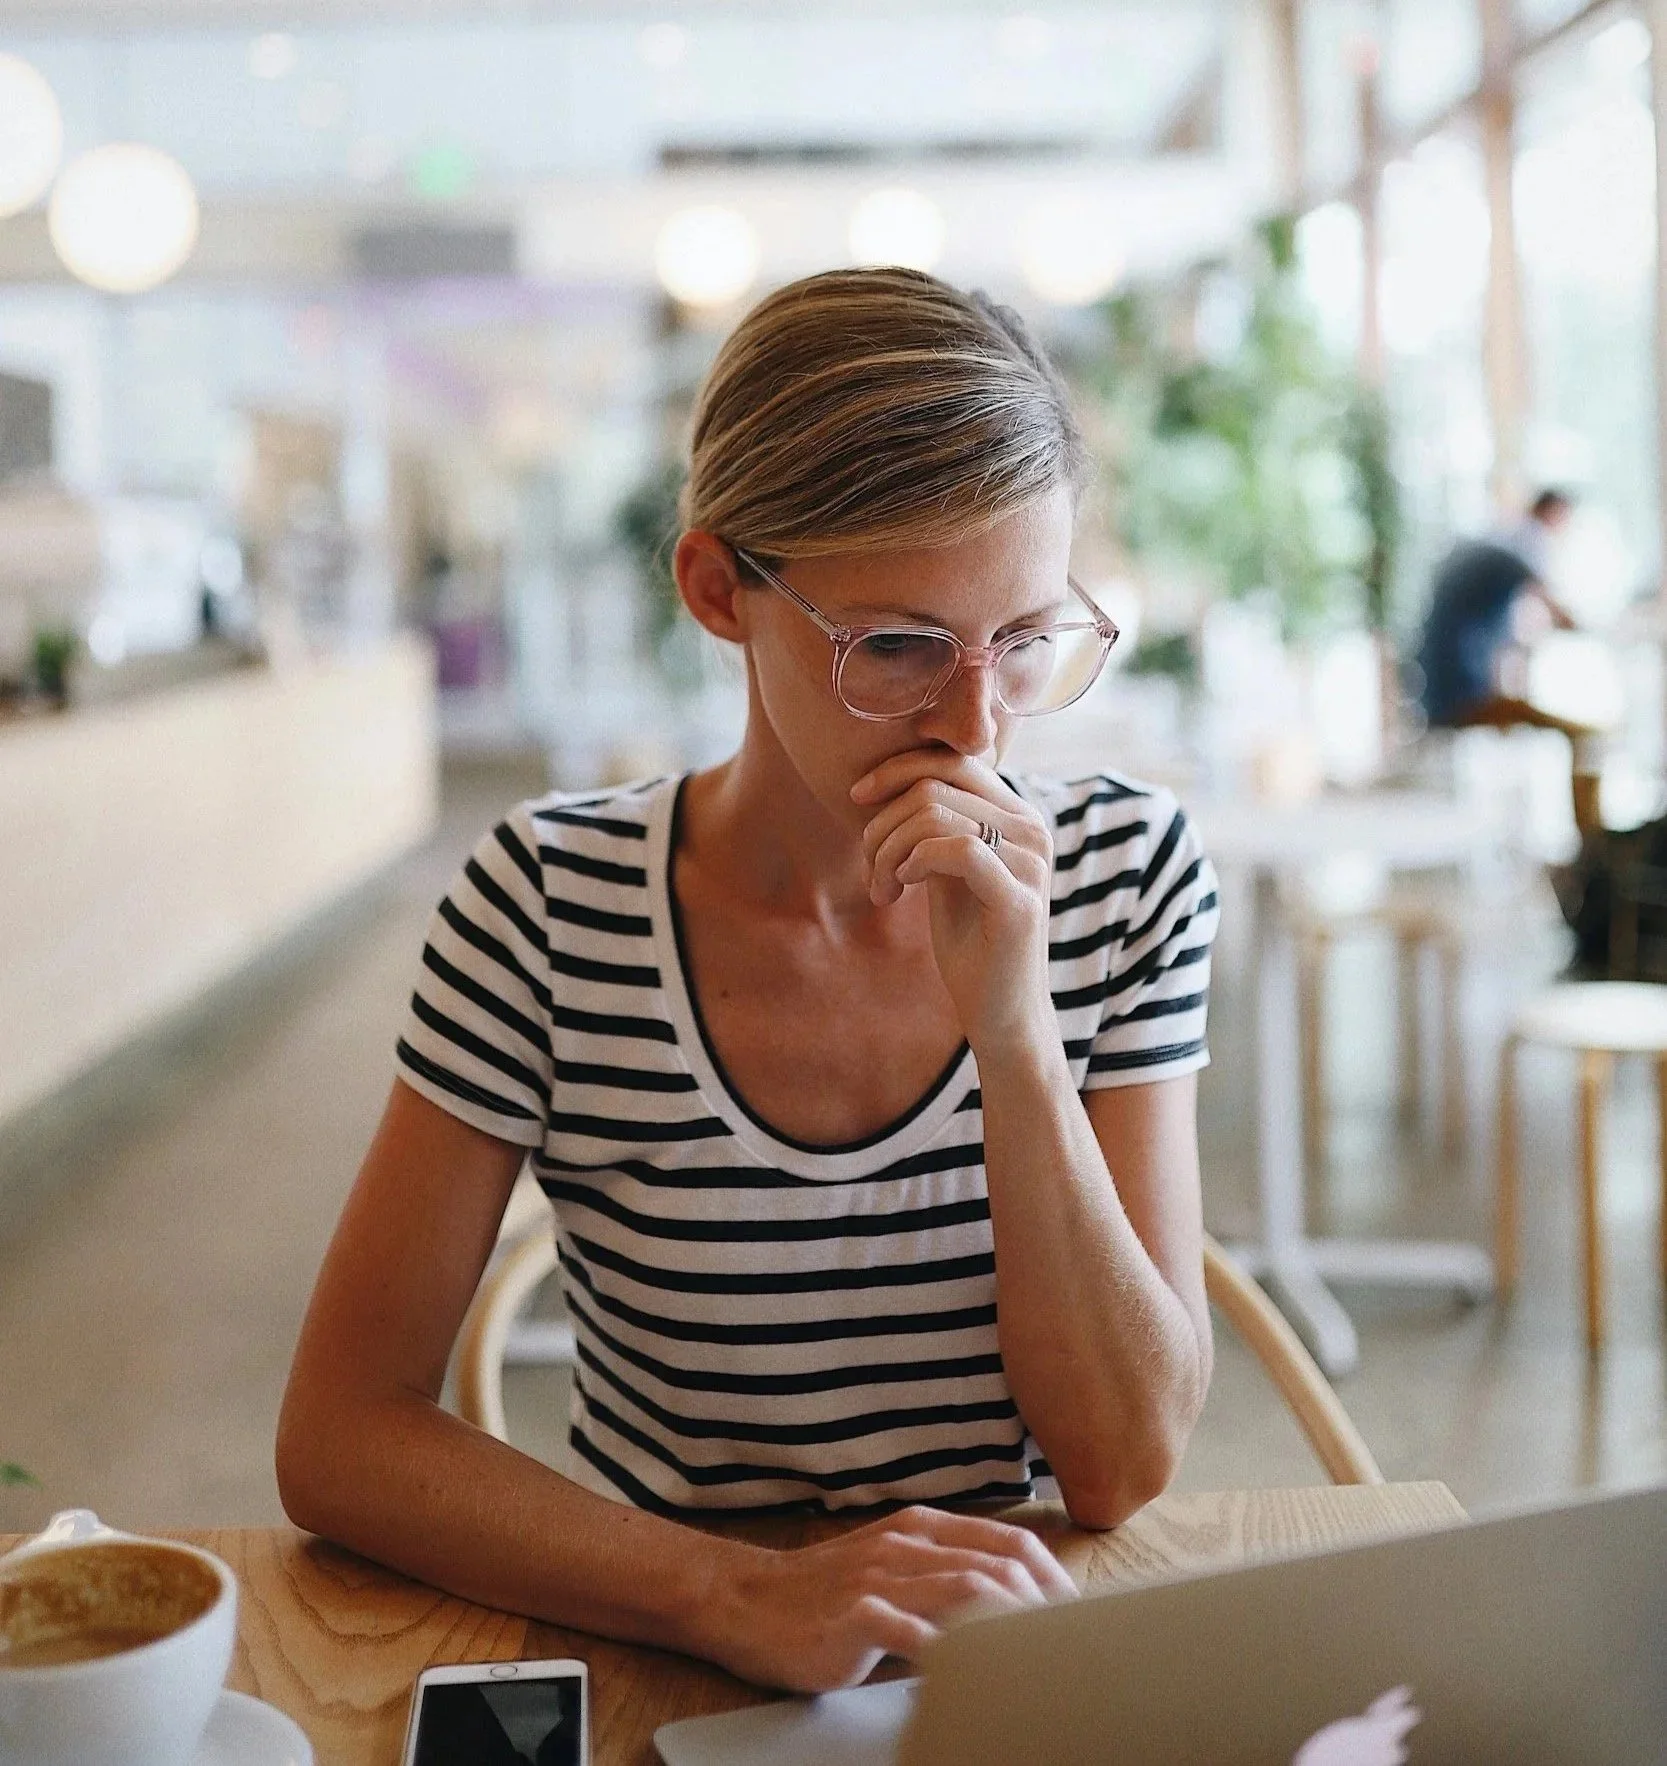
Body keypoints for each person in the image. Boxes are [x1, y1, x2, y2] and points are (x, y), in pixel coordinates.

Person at [276, 267, 1220, 1695]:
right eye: (895, 645)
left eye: (1022, 641)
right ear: (718, 589)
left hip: (1000, 1651)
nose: (975, 726)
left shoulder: (1120, 874)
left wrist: (1016, 1034)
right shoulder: (545, 906)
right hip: (663, 1643)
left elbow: (1118, 1465)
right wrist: (732, 1590)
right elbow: (339, 1429)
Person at [1413, 489, 1605, 828]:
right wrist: (1601, 630)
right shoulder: (1523, 546)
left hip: (1439, 690)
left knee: (1550, 721)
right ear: (1552, 514)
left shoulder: (1492, 544)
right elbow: (1558, 612)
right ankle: (1594, 854)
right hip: (1461, 696)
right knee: (1586, 735)